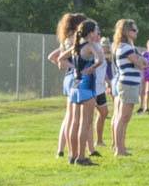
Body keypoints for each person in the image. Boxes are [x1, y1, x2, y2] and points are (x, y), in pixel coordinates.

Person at [48, 12, 88, 158]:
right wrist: (74, 67)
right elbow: (59, 59)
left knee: (69, 116)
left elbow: (54, 57)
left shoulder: (65, 39)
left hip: (68, 78)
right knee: (75, 118)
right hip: (75, 78)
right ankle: (75, 153)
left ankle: (61, 149)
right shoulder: (74, 39)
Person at [67, 20, 102, 166]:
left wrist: (78, 70)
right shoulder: (90, 46)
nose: (98, 33)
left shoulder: (76, 46)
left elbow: (62, 58)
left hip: (75, 87)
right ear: (90, 33)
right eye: (96, 30)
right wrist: (92, 67)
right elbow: (100, 59)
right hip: (87, 87)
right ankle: (81, 157)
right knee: (85, 124)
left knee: (75, 123)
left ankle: (72, 155)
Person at [112, 19, 145, 157]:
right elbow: (140, 63)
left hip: (129, 83)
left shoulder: (129, 47)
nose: (136, 32)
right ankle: (119, 149)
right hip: (127, 83)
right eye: (134, 30)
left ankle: (121, 147)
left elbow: (143, 62)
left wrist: (141, 61)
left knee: (124, 118)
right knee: (123, 117)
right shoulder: (125, 47)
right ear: (126, 31)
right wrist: (141, 61)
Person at [94, 36, 113, 150]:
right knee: (88, 116)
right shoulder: (94, 52)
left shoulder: (104, 56)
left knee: (104, 112)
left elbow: (103, 71)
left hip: (100, 88)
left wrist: (108, 82)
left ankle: (99, 141)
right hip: (92, 87)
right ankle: (90, 143)